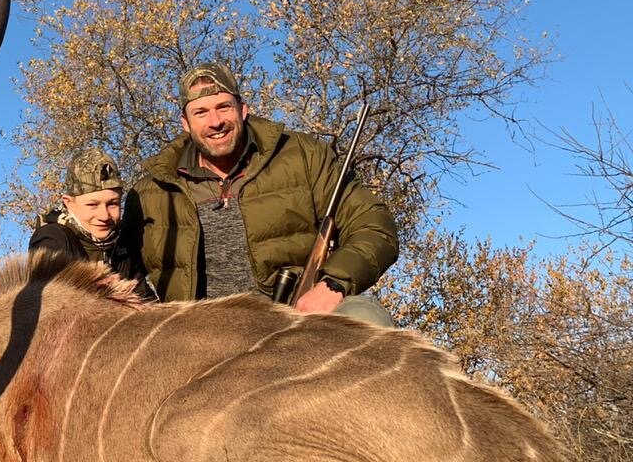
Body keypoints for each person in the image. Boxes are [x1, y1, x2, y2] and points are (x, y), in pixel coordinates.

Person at [118, 62, 398, 325]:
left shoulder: (303, 156)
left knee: (366, 318)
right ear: (185, 123)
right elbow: (116, 270)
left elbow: (373, 226)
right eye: (201, 112)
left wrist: (332, 284)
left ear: (242, 109)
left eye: (223, 107)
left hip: (296, 323)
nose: (215, 122)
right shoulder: (151, 191)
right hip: (199, 342)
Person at [29, 149, 151, 294]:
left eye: (112, 203)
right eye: (92, 205)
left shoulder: (121, 242)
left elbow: (146, 301)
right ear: (68, 203)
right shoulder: (53, 239)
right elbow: (55, 306)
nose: (104, 216)